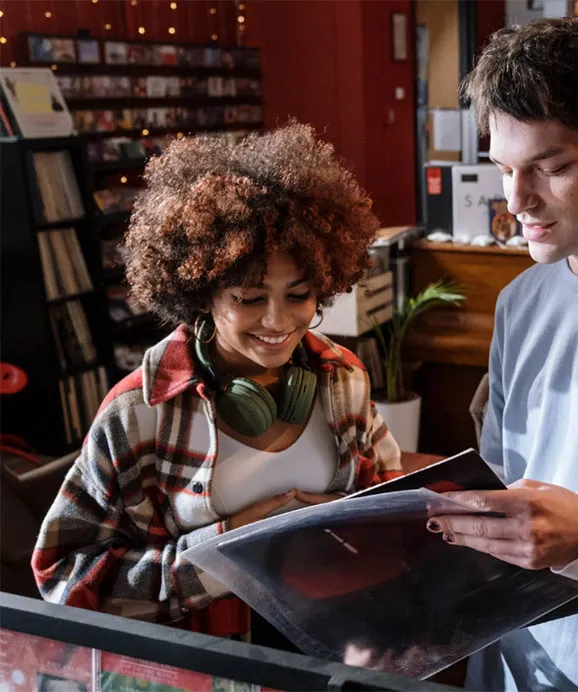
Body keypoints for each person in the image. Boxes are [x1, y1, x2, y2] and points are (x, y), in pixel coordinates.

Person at [31, 123, 402, 639]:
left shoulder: (344, 380)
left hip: (339, 642)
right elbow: (64, 576)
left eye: (298, 295)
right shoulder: (139, 413)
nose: (277, 322)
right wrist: (224, 554)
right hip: (218, 659)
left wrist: (350, 525)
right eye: (249, 299)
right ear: (202, 293)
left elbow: (392, 510)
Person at [427, 17, 578, 691]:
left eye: (551, 168)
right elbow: (502, 474)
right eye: (502, 168)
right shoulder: (520, 302)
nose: (516, 200)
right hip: (520, 645)